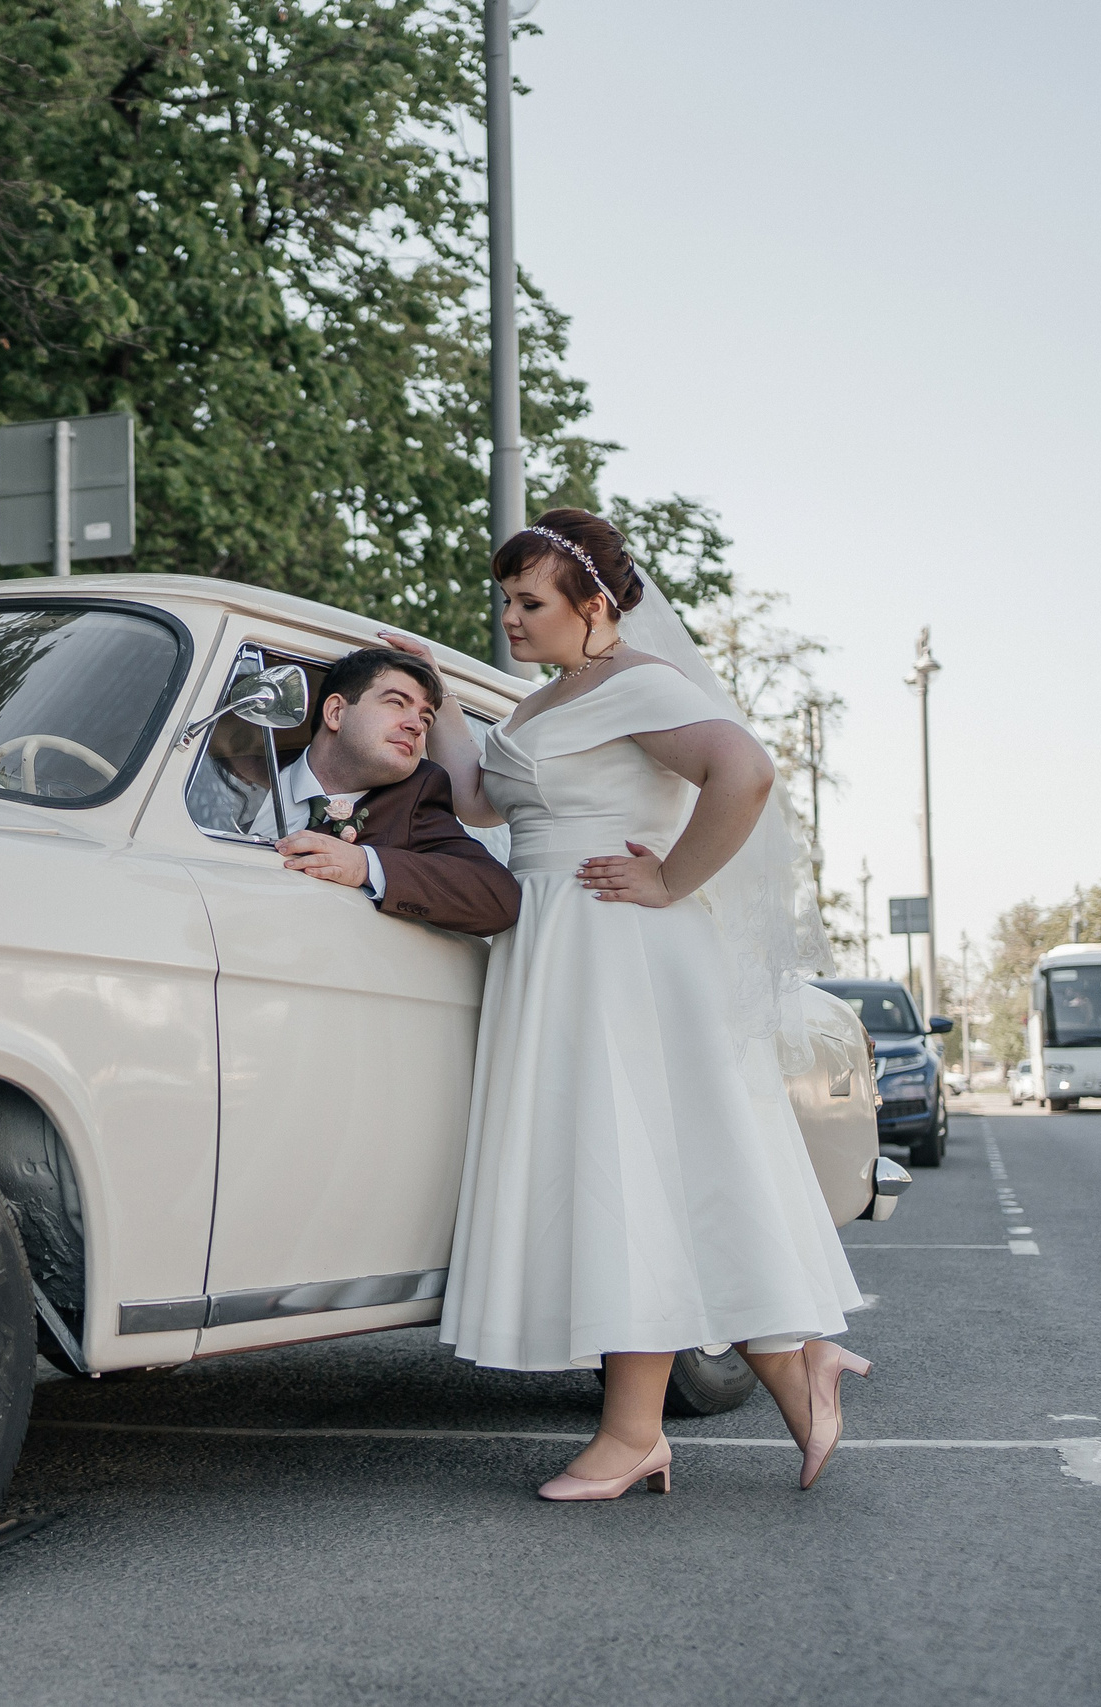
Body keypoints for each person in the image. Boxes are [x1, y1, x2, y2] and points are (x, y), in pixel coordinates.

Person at [384, 508, 866, 1502]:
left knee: (627, 1171)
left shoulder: (637, 687)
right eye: (506, 600)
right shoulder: (540, 703)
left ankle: (635, 1431)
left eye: (530, 602)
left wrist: (673, 880)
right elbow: (482, 802)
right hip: (558, 948)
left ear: (593, 605)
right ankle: (794, 1365)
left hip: (620, 950)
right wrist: (434, 702)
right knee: (647, 1176)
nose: (510, 619)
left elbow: (745, 771)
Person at [252, 647, 521, 939]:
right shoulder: (240, 775)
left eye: (426, 719)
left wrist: (365, 865)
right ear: (335, 712)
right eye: (396, 702)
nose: (416, 726)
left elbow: (498, 898)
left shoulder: (414, 800)